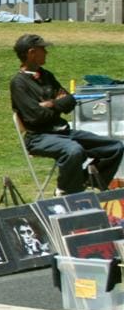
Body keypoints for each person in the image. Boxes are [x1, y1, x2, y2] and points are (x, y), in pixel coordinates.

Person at [10, 34, 123, 194]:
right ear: (31, 52)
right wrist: (57, 104)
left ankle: (83, 181)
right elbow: (35, 117)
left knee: (115, 147)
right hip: (39, 137)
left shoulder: (47, 76)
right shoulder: (18, 83)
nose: (46, 53)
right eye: (43, 49)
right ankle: (67, 191)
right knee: (74, 150)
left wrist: (49, 104)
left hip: (63, 131)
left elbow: (70, 101)